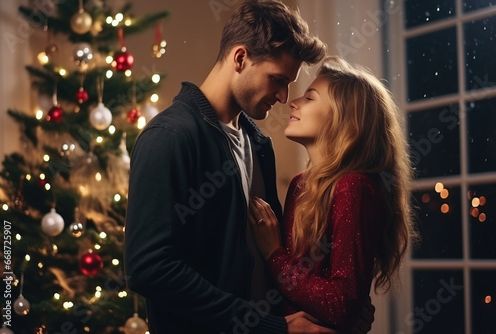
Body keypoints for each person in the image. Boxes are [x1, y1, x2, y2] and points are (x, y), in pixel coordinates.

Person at [123, 0, 346, 333]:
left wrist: (339, 308)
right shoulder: (169, 137)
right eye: (278, 79)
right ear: (240, 58)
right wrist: (268, 326)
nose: (284, 96)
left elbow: (267, 260)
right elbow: (149, 268)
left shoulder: (259, 144)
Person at [248, 55, 417, 333]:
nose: (293, 102)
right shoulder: (299, 185)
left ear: (345, 120)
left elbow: (340, 304)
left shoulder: (353, 187)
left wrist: (274, 254)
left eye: (310, 98)